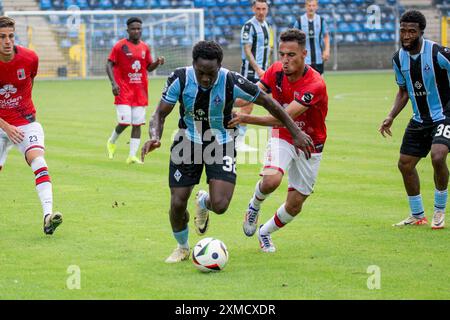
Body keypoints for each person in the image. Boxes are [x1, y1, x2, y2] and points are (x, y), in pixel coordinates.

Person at [141, 40, 314, 263]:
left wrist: (295, 132)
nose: (205, 78)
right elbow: (159, 114)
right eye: (201, 72)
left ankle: (204, 202)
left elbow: (270, 103)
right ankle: (183, 247)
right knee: (177, 204)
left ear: (220, 66)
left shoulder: (232, 81)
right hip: (187, 142)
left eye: (211, 73)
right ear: (193, 64)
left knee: (220, 205)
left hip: (220, 143)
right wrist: (155, 137)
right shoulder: (180, 78)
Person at [230, 29, 328, 252]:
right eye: (282, 54)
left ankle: (265, 232)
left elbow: (283, 117)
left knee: (294, 206)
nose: (285, 60)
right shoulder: (275, 71)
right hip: (283, 136)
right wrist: (223, 100)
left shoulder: (315, 84)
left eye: (291, 55)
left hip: (310, 142)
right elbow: (251, 94)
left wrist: (244, 117)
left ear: (304, 54)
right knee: (271, 180)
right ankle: (254, 206)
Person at [379, 10, 450, 229]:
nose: (406, 35)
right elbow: (403, 91)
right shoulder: (399, 58)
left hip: (444, 115)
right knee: (405, 164)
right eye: (403, 31)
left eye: (412, 31)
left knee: (438, 157)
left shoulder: (438, 52)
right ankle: (417, 215)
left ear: (421, 32)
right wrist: (391, 115)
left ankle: (439, 211)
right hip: (420, 119)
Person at [0, 16, 62, 235]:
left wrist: (20, 114)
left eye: (10, 36)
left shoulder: (29, 58)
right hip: (1, 125)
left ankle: (48, 216)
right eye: (1, 37)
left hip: (26, 122)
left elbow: (29, 82)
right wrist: (6, 126)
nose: (7, 41)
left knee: (38, 160)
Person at [106, 17, 165, 164]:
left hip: (140, 92)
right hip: (123, 90)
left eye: (139, 28)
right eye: (133, 28)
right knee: (125, 122)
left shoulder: (145, 47)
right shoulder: (120, 46)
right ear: (128, 30)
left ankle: (132, 155)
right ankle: (111, 141)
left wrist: (157, 63)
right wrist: (113, 84)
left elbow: (148, 67)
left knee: (137, 124)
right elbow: (108, 64)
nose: (136, 31)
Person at [237, 0, 272, 152]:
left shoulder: (266, 25)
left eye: (263, 9)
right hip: (250, 72)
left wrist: (268, 68)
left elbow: (266, 50)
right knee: (247, 105)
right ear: (253, 9)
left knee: (274, 102)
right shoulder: (249, 26)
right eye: (258, 8)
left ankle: (275, 139)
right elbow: (247, 50)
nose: (261, 12)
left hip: (264, 72)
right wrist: (257, 68)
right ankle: (238, 141)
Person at [292, 0, 330, 75]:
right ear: (305, 7)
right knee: (304, 83)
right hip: (304, 59)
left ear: (316, 7)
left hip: (318, 58)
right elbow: (293, 38)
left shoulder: (321, 20)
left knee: (319, 82)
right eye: (309, 5)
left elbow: (326, 36)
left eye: (313, 5)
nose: (311, 8)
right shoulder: (299, 21)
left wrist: (327, 50)